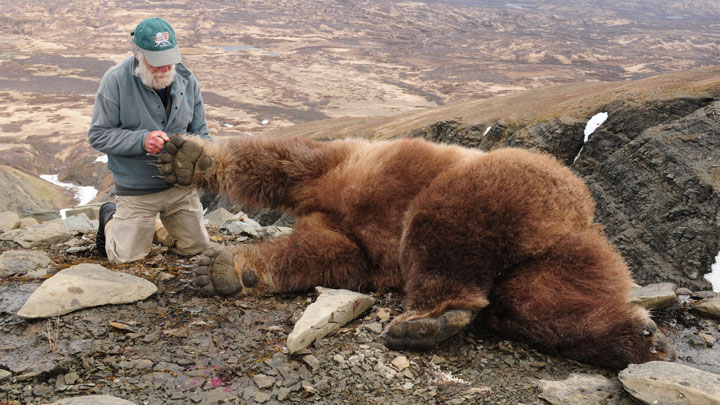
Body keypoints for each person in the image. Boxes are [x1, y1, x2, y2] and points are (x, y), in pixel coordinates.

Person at [88, 17, 211, 263]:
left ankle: (153, 228)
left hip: (180, 188)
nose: (166, 69)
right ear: (138, 55)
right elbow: (98, 135)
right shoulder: (115, 80)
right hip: (136, 190)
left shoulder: (187, 79)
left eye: (169, 60)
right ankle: (111, 217)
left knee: (196, 248)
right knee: (127, 259)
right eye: (157, 63)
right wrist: (142, 141)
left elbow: (202, 134)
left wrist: (198, 157)